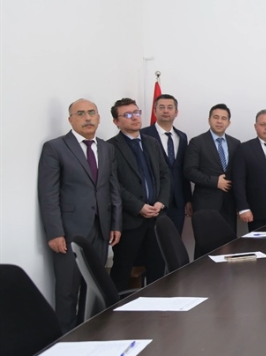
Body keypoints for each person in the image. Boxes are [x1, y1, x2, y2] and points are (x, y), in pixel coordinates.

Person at [38, 99, 122, 332]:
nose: (87, 118)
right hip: (69, 232)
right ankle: (65, 340)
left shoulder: (106, 148)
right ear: (70, 119)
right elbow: (48, 194)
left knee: (94, 288)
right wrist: (55, 232)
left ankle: (90, 336)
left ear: (99, 118)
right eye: (81, 113)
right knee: (68, 290)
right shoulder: (55, 148)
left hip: (101, 230)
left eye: (92, 113)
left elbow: (112, 188)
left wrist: (116, 223)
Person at [108, 98, 170, 291]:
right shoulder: (110, 147)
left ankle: (157, 307)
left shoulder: (152, 142)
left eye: (136, 112)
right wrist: (138, 206)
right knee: (122, 272)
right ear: (116, 122)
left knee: (157, 271)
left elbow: (165, 175)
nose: (134, 117)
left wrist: (161, 201)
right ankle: (116, 309)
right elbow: (113, 184)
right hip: (130, 221)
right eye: (127, 115)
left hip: (156, 218)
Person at [184, 104, 240, 230]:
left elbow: (239, 173)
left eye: (223, 118)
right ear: (209, 120)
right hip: (206, 204)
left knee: (230, 240)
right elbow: (189, 171)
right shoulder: (197, 142)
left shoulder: (235, 143)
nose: (219, 121)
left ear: (229, 123)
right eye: (216, 117)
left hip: (230, 204)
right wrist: (215, 182)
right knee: (206, 240)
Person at [141, 94, 192, 235]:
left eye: (170, 107)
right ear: (155, 111)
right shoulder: (143, 134)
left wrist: (188, 199)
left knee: (174, 241)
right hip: (154, 201)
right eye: (161, 107)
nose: (165, 111)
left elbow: (183, 170)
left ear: (176, 112)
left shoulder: (182, 137)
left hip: (177, 201)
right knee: (154, 243)